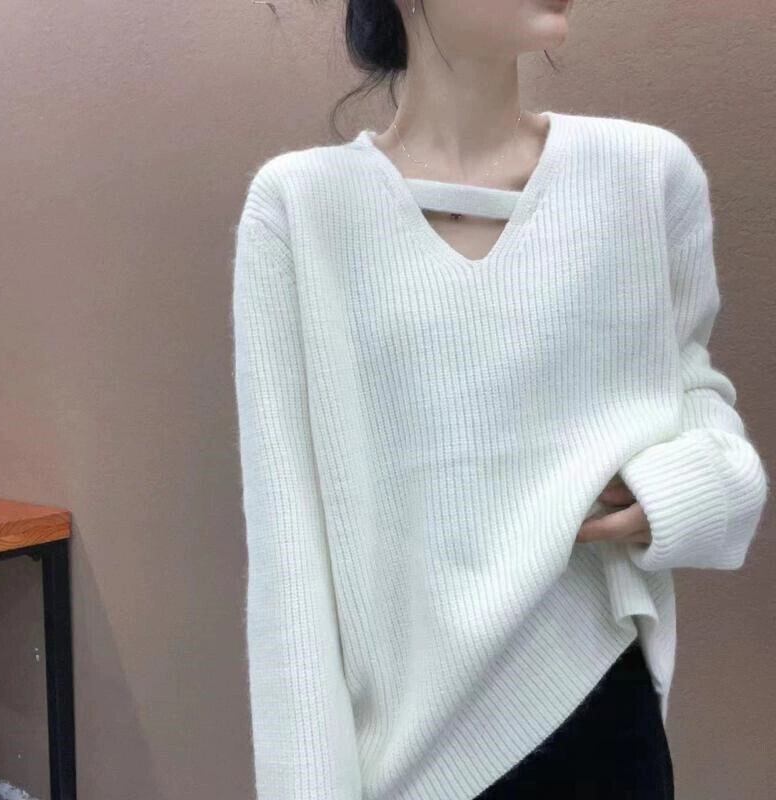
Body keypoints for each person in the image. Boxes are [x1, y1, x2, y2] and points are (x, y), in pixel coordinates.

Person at [232, 1, 770, 798]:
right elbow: (290, 561)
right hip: (411, 761)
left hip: (602, 717)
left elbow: (696, 399)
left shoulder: (646, 176)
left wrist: (684, 489)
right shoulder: (301, 208)